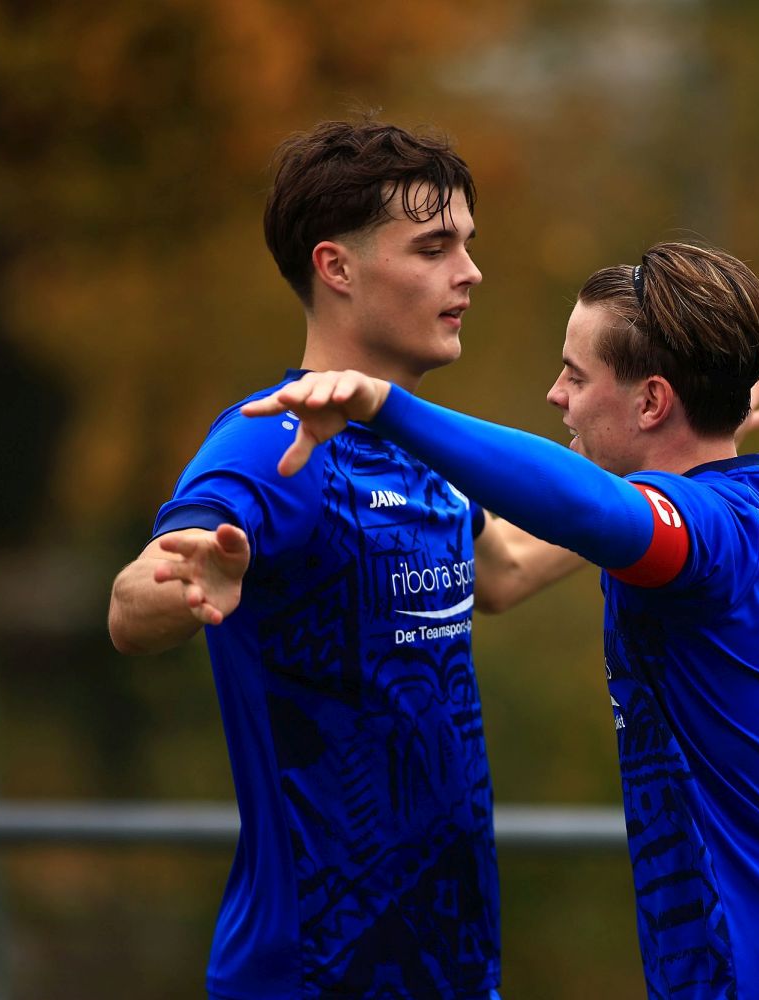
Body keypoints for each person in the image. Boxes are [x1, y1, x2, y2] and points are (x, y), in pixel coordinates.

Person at [243, 241, 759, 999]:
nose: (556, 394)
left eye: (576, 375)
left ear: (652, 403)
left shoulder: (704, 535)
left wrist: (388, 409)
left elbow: (590, 509)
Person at [107, 119, 586, 999]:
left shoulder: (419, 443)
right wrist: (187, 581)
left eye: (467, 244)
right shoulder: (272, 440)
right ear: (336, 267)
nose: (470, 272)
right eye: (434, 248)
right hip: (313, 975)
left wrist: (660, 485)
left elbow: (506, 569)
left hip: (452, 966)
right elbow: (131, 604)